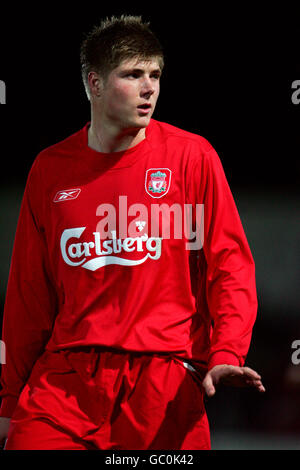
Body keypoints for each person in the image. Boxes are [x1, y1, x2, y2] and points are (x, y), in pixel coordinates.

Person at [0, 15, 265, 450]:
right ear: (95, 84)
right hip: (66, 383)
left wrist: (227, 352)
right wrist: (10, 402)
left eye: (155, 75)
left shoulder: (191, 157)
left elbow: (230, 265)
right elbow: (28, 293)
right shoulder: (50, 170)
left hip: (161, 383)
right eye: (132, 74)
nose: (149, 88)